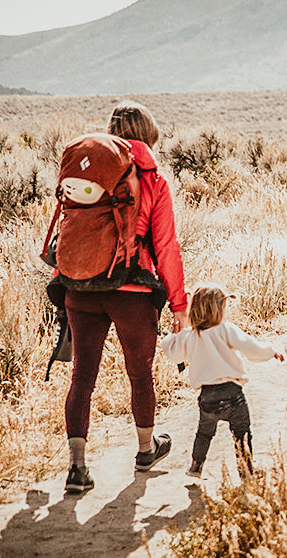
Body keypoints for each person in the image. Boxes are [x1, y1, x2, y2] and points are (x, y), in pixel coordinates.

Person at [63, 101, 189, 493]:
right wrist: (180, 305)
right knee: (140, 374)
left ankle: (77, 468)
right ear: (149, 131)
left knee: (82, 374)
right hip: (132, 291)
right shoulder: (152, 176)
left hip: (80, 286)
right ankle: (145, 449)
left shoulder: (92, 171)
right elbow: (166, 245)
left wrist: (65, 279)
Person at [160, 283, 284, 478]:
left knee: (204, 433)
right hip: (233, 394)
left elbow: (174, 355)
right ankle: (246, 471)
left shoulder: (191, 335)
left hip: (208, 397)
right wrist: (270, 352)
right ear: (220, 308)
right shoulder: (226, 329)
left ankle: (195, 466)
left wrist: (174, 335)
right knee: (242, 433)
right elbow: (250, 346)